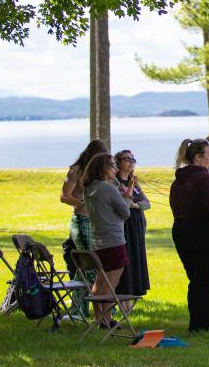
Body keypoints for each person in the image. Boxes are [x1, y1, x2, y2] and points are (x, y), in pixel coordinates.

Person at [170, 138, 209, 332]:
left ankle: (197, 322)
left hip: (182, 231)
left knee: (196, 279)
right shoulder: (205, 179)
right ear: (198, 157)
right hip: (207, 233)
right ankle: (207, 323)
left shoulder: (178, 181)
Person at [82, 152, 131, 329]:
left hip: (97, 242)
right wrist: (125, 197)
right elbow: (125, 213)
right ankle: (107, 321)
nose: (116, 168)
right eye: (112, 165)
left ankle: (98, 319)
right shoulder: (108, 188)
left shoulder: (89, 189)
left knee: (100, 282)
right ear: (102, 168)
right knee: (111, 284)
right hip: (114, 241)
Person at [60, 139, 108, 318]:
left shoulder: (97, 173)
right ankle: (79, 307)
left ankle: (95, 303)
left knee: (96, 263)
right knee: (87, 262)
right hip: (81, 220)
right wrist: (82, 202)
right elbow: (64, 196)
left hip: (96, 221)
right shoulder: (76, 171)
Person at [114, 149, 150, 310]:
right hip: (123, 225)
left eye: (132, 159)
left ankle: (133, 296)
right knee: (125, 259)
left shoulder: (134, 183)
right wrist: (132, 204)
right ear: (118, 162)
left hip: (136, 224)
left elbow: (146, 203)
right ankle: (122, 300)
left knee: (136, 258)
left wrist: (135, 204)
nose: (130, 162)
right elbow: (122, 205)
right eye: (126, 159)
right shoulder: (115, 184)